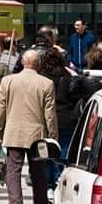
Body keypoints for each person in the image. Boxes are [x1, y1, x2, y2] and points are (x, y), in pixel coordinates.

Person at [0, 49, 57, 204]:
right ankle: (41, 202)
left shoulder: (7, 81)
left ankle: (15, 202)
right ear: (39, 64)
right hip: (37, 135)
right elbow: (50, 114)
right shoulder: (46, 83)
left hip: (14, 132)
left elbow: (0, 110)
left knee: (13, 170)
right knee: (38, 172)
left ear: (22, 62)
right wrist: (53, 137)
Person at [38, 48, 81, 191]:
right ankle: (60, 179)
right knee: (64, 151)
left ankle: (49, 185)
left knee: (46, 152)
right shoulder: (67, 76)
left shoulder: (41, 78)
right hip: (66, 118)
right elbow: (75, 95)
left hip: (45, 119)